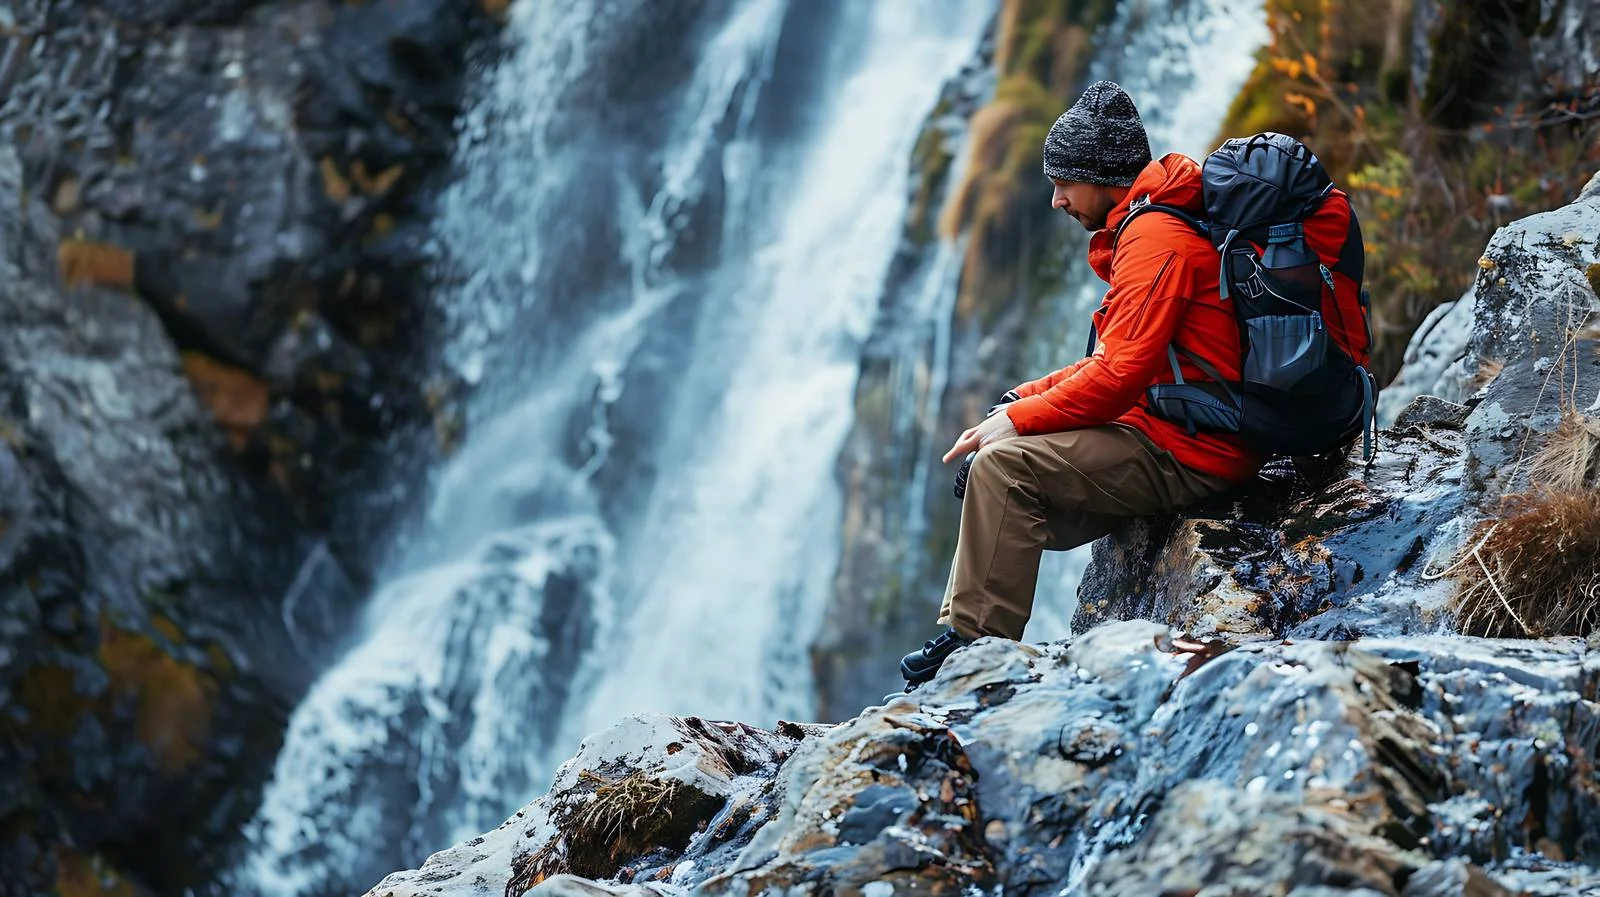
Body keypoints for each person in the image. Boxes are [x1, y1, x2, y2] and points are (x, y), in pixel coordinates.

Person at [899, 80, 1264, 688]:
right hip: (1176, 426)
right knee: (1005, 460)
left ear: (1102, 178)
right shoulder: (1154, 224)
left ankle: (975, 652)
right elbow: (1117, 356)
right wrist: (1021, 398)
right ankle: (971, 634)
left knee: (1003, 470)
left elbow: (1117, 377)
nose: (1055, 200)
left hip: (1194, 449)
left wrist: (1014, 424)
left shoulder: (1156, 240)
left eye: (1064, 182)